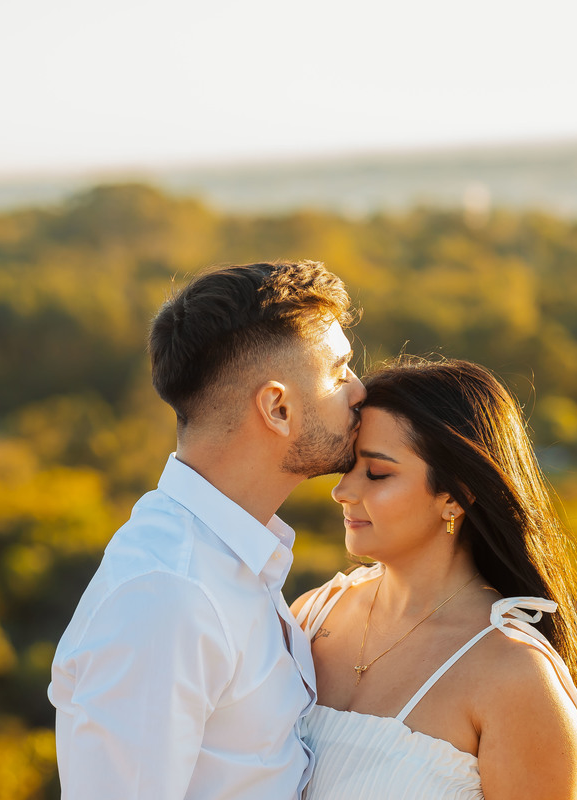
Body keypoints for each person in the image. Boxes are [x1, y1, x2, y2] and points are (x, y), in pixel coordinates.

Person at [49, 260, 366, 799]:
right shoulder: (169, 593)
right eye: (339, 372)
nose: (359, 390)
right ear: (278, 407)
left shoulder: (229, 563)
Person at [292, 358, 577, 800]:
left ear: (456, 496)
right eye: (348, 468)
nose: (343, 491)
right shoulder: (311, 616)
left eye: (376, 473)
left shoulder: (516, 680)